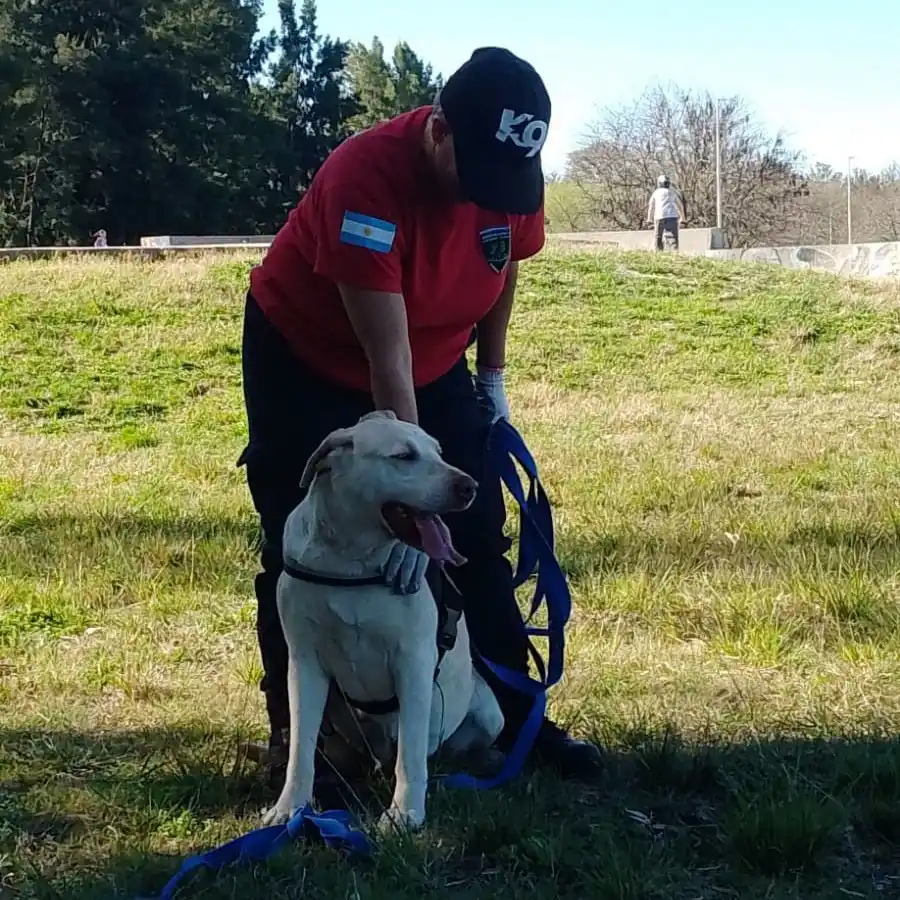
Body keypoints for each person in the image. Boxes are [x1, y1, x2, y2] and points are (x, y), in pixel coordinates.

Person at [238, 46, 603, 789]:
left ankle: (514, 718)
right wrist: (406, 495)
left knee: (471, 531)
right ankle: (300, 741)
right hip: (310, 355)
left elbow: (503, 270)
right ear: (438, 130)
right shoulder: (364, 179)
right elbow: (386, 359)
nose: (485, 199)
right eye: (474, 178)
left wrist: (491, 380)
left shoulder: (509, 177)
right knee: (301, 537)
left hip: (436, 360)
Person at [647, 175, 686, 250]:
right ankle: (674, 251)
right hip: (672, 216)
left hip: (659, 216)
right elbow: (680, 206)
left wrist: (649, 219)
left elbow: (651, 206)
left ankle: (658, 252)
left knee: (658, 236)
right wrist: (682, 218)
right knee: (673, 237)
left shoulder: (656, 193)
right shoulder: (672, 193)